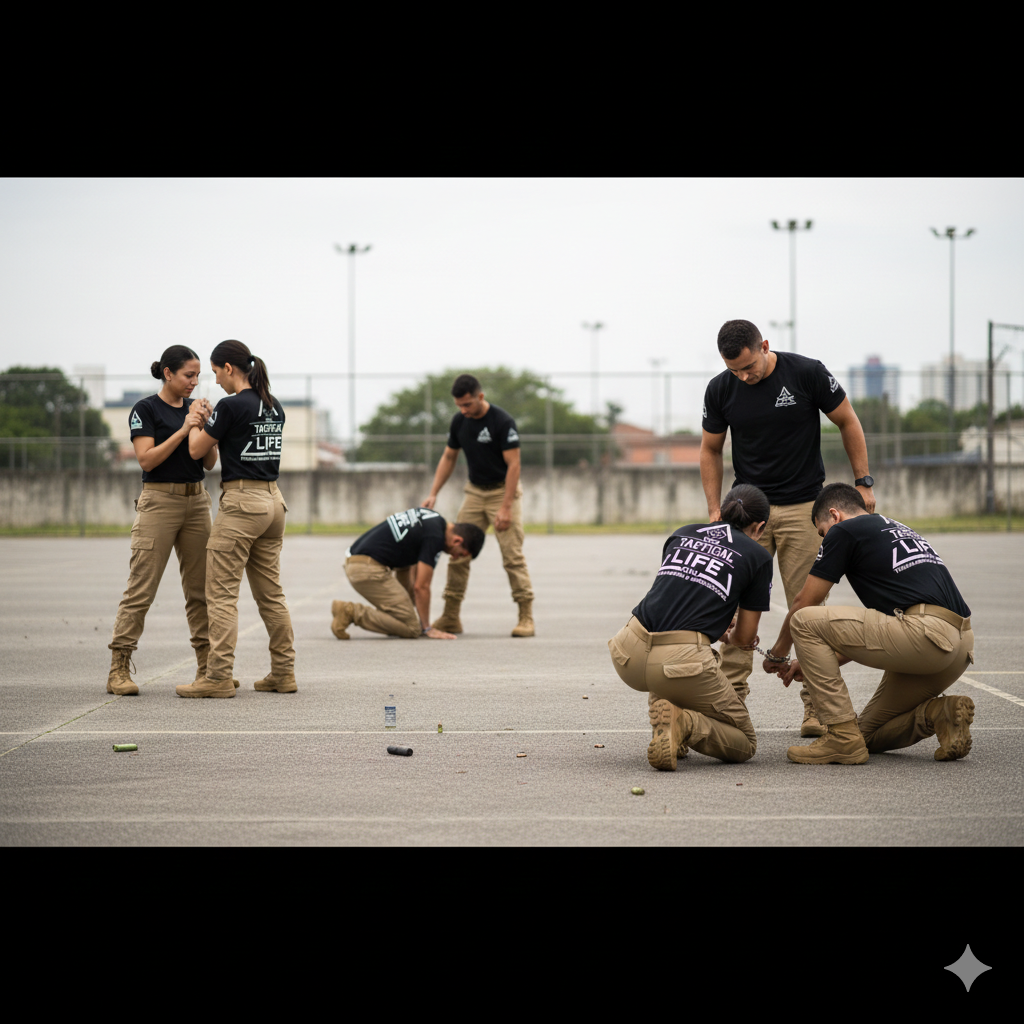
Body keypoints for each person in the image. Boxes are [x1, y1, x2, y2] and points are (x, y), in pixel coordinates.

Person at [701, 319, 876, 736]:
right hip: (748, 511)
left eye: (749, 367)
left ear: (764, 346)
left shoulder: (806, 373)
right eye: (734, 370)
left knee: (810, 612)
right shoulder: (721, 389)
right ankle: (729, 706)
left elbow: (848, 421)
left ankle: (817, 709)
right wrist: (713, 509)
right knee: (734, 604)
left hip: (802, 507)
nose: (744, 377)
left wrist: (863, 482)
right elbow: (710, 449)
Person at [764, 483, 975, 765]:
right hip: (958, 644)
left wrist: (777, 654)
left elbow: (805, 601)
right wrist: (816, 660)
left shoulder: (844, 530)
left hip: (925, 634)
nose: (823, 539)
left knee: (804, 620)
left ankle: (840, 737)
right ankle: (939, 714)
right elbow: (876, 637)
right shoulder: (894, 528)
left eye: (822, 532)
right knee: (865, 736)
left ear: (834, 515)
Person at [608, 485, 773, 771]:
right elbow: (745, 637)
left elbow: (674, 597)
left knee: (670, 665)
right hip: (677, 664)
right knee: (745, 742)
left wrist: (716, 628)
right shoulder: (758, 557)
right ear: (759, 527)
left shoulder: (682, 533)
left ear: (721, 513)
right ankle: (683, 723)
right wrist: (732, 636)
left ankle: (671, 731)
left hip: (627, 651)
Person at [175, 339, 297, 698]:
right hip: (273, 502)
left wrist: (194, 419)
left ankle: (217, 677)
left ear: (229, 368)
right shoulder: (273, 405)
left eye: (216, 372)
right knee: (271, 595)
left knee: (221, 594)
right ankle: (283, 673)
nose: (215, 379)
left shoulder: (230, 406)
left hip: (242, 504)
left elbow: (196, 450)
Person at [106, 346, 219, 696]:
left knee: (201, 590)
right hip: (159, 501)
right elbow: (147, 460)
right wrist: (184, 429)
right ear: (168, 373)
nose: (194, 382)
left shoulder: (194, 409)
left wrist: (207, 425)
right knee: (142, 587)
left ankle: (208, 668)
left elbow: (209, 463)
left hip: (196, 501)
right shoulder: (146, 409)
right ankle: (119, 668)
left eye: (198, 376)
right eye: (188, 375)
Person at [422, 374, 535, 637]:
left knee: (512, 556)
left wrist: (506, 507)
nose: (463, 410)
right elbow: (449, 457)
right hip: (474, 493)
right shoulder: (459, 421)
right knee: (457, 549)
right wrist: (433, 493)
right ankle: (451, 616)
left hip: (502, 493)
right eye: (459, 405)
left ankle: (526, 617)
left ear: (480, 397)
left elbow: (514, 465)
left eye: (467, 404)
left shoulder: (502, 422)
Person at [330, 509, 486, 639]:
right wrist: (427, 628)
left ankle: (394, 621)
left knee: (407, 613)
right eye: (460, 554)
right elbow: (421, 587)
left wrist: (409, 605)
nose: (455, 558)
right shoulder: (435, 537)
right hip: (366, 569)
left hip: (357, 561)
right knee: (412, 628)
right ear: (457, 541)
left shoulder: (433, 519)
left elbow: (407, 568)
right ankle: (350, 612)